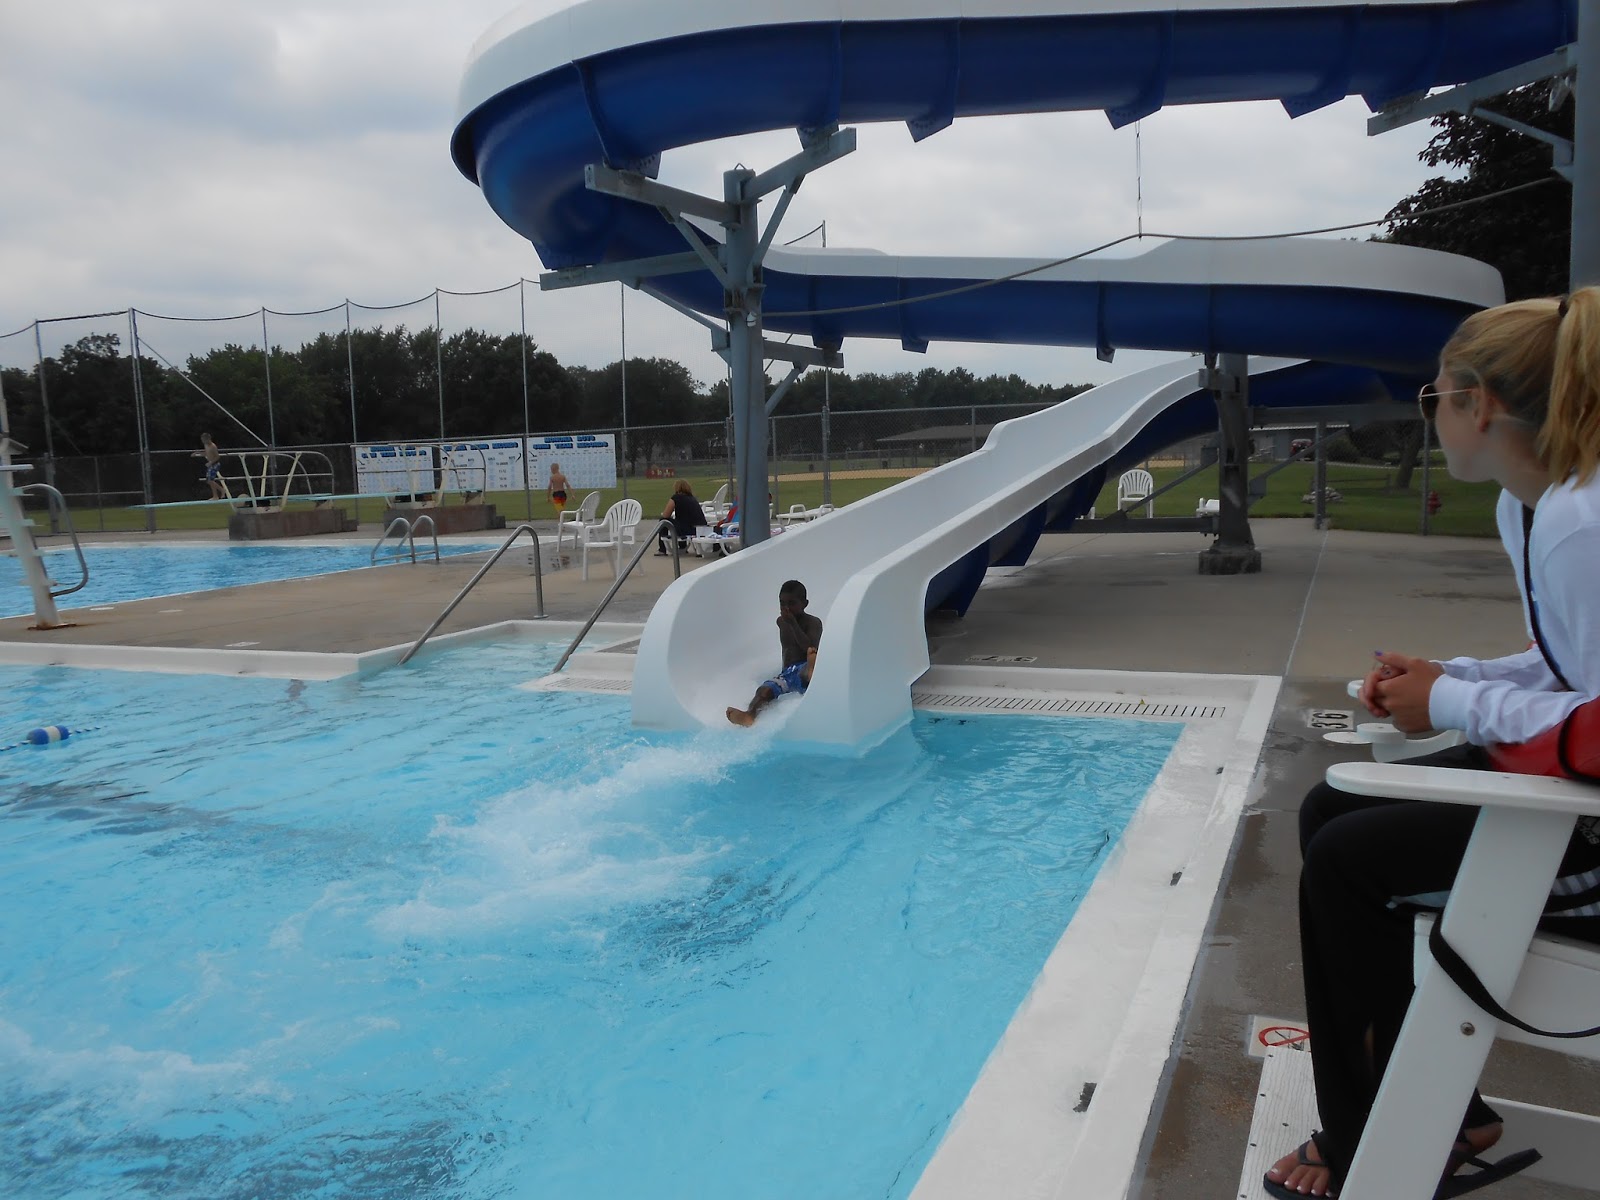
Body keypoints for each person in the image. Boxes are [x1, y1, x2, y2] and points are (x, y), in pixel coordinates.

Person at [1265, 289, 1600, 1200]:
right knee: (1336, 804)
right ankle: (1453, 1111)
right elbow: (1570, 665)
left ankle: (1363, 1137)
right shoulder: (1534, 509)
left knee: (1345, 862)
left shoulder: (1582, 523)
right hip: (1578, 791)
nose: (1432, 416)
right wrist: (1451, 675)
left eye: (1433, 398)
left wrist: (1453, 700)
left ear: (1478, 404)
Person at [726, 579, 823, 727]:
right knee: (764, 690)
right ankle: (749, 715)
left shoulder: (813, 623)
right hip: (786, 674)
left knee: (807, 665)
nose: (786, 608)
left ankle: (812, 670)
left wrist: (793, 624)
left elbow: (809, 647)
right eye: (782, 603)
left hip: (804, 665)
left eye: (792, 603)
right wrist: (788, 622)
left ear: (805, 604)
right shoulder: (781, 622)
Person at [656, 479, 707, 555]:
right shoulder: (692, 498)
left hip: (687, 529)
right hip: (699, 528)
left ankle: (662, 549)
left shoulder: (676, 498)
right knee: (680, 522)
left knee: (663, 521)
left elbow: (666, 515)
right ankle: (682, 546)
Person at [193, 432, 224, 499]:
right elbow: (206, 453)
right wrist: (197, 453)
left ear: (207, 439)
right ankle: (215, 496)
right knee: (209, 480)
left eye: (203, 440)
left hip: (215, 464)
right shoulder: (206, 445)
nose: (202, 441)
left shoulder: (213, 446)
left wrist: (211, 462)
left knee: (210, 480)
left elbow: (217, 457)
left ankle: (221, 490)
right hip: (211, 465)